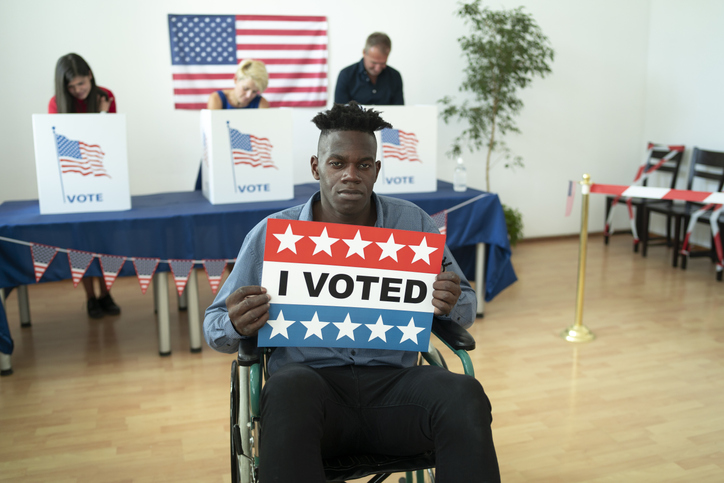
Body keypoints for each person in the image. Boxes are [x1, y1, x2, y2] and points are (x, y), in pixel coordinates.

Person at [203, 103, 500, 482]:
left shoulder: (413, 224)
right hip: (313, 397)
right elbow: (215, 327)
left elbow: (467, 306)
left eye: (364, 165)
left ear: (377, 170)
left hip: (397, 391)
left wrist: (451, 301)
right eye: (337, 163)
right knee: (288, 388)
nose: (351, 175)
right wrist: (235, 322)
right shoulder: (273, 234)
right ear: (316, 167)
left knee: (465, 394)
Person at [48, 53, 120, 319]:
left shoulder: (105, 95)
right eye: (72, 87)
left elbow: (109, 137)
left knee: (104, 240)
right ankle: (90, 298)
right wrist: (98, 117)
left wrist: (102, 113)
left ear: (90, 75)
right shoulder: (57, 103)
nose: (78, 91)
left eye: (81, 84)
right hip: (74, 181)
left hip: (102, 174)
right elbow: (60, 141)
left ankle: (106, 293)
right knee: (81, 243)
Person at [334, 32, 404, 106]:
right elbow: (339, 113)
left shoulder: (395, 76)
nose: (377, 68)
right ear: (364, 52)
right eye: (374, 62)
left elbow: (399, 110)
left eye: (383, 63)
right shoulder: (346, 75)